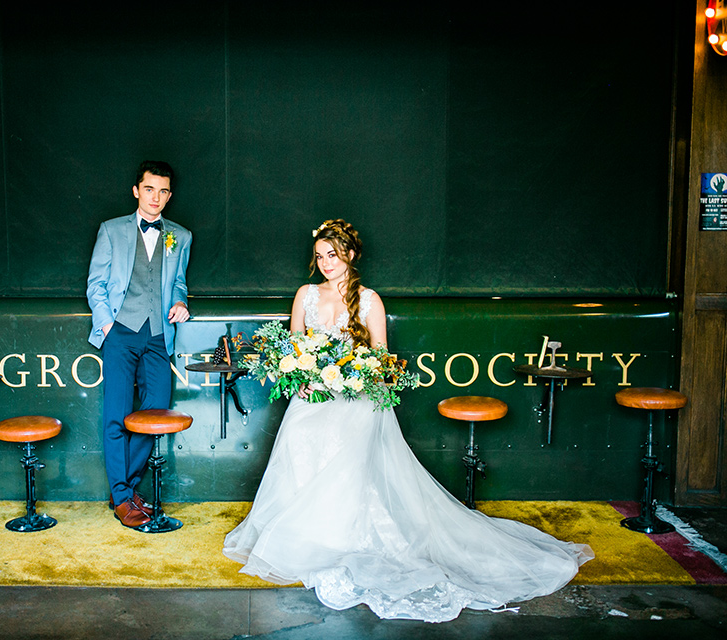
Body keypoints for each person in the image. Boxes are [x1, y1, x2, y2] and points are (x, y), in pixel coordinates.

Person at [223, 219, 593, 622]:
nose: (326, 263)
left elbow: (380, 362)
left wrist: (352, 378)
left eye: (333, 254)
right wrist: (303, 382)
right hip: (313, 395)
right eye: (319, 256)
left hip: (355, 398)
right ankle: (310, 535)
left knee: (348, 434)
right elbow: (293, 350)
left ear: (349, 254)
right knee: (298, 430)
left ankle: (341, 536)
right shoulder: (305, 295)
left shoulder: (368, 300)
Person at [87, 160, 192, 529]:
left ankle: (128, 489)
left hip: (159, 335)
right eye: (149, 189)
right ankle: (121, 497)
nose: (156, 198)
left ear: (169, 195)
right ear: (137, 191)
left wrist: (180, 302)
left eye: (163, 191)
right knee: (116, 415)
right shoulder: (111, 230)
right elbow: (95, 286)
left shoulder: (181, 235)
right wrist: (108, 326)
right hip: (120, 334)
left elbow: (178, 282)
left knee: (155, 416)